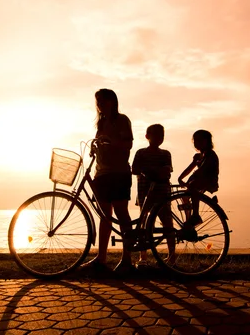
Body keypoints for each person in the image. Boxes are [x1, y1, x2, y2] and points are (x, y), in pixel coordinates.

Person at [82, 88, 134, 273]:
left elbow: (128, 144)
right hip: (102, 173)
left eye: (102, 101)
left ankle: (127, 259)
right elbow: (102, 144)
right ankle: (101, 258)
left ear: (113, 101)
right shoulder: (101, 123)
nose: (100, 105)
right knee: (105, 217)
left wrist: (110, 141)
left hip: (119, 173)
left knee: (121, 214)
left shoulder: (122, 120)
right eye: (97, 102)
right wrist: (95, 147)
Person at [131, 124, 175, 267]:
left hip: (162, 194)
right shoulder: (141, 153)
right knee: (142, 224)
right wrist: (154, 172)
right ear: (147, 136)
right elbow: (135, 169)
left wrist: (149, 171)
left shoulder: (165, 154)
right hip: (145, 193)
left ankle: (172, 256)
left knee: (167, 222)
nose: (158, 138)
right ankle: (143, 257)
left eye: (161, 135)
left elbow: (167, 171)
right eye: (155, 135)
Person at [177, 129, 219, 228]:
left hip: (209, 181)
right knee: (185, 196)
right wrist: (180, 178)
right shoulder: (199, 156)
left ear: (207, 142)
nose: (197, 143)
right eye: (195, 141)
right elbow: (190, 168)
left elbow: (202, 169)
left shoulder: (210, 155)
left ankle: (196, 215)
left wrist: (189, 182)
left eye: (200, 141)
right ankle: (188, 221)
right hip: (200, 180)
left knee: (192, 186)